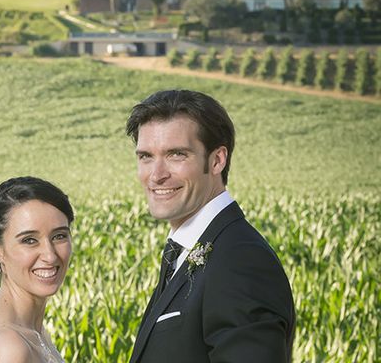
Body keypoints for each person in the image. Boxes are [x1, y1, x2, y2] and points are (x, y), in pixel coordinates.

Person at [126, 89, 295, 363]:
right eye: (145, 156)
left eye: (176, 155)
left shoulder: (240, 260)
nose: (156, 175)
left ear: (217, 160)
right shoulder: (192, 249)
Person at [0, 176, 73, 363]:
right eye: (29, 240)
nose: (50, 255)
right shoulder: (9, 348)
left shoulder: (30, 330)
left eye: (59, 236)